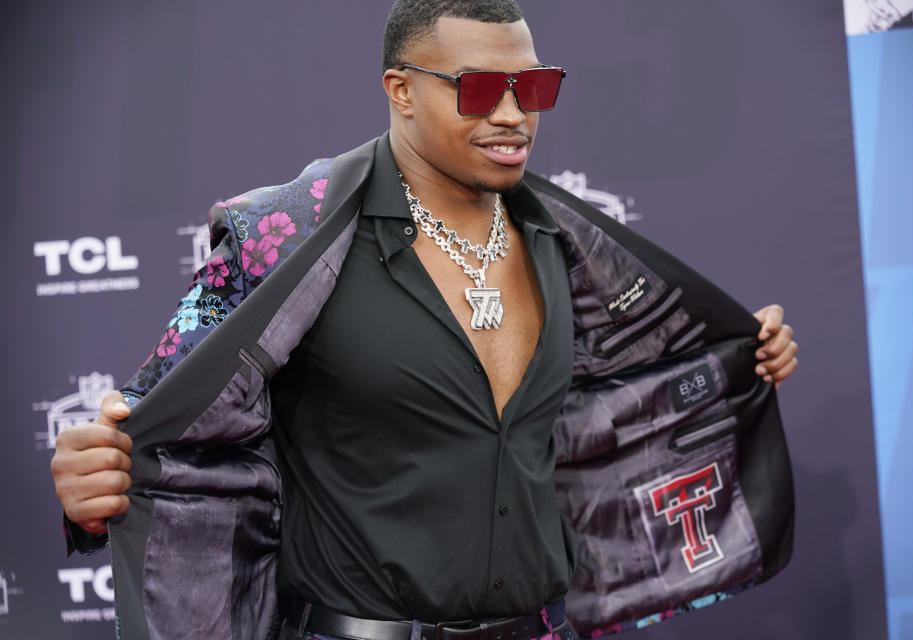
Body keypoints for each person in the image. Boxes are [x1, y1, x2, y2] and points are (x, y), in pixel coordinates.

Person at [50, 2, 799, 639]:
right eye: (478, 90)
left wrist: (742, 357)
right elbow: (159, 417)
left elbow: (628, 389)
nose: (513, 115)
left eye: (531, 86)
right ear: (401, 90)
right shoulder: (281, 241)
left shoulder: (571, 245)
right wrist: (93, 483)